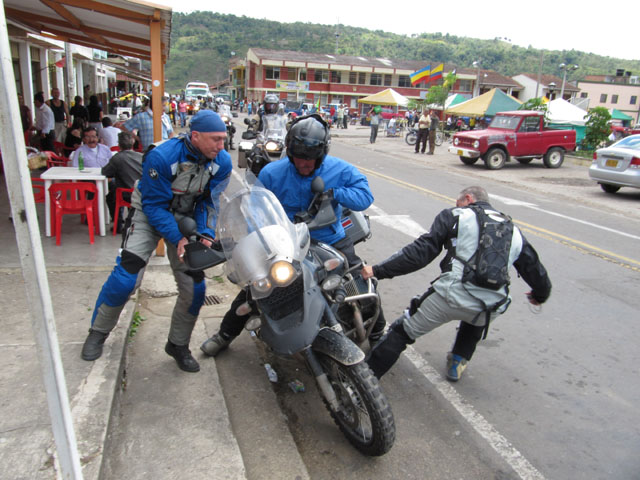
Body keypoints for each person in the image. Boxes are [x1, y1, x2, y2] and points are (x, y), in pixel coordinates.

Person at [201, 114, 387, 357]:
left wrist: (334, 193)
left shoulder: (340, 169)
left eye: (310, 162)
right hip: (284, 244)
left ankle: (378, 332)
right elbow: (255, 209)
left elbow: (365, 197)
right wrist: (244, 241)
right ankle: (225, 334)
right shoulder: (271, 173)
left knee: (359, 278)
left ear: (321, 155)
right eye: (298, 160)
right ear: (289, 152)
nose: (303, 165)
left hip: (329, 239)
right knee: (256, 290)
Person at [80, 110, 232, 372]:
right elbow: (153, 206)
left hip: (186, 217)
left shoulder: (222, 162)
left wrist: (205, 233)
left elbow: (209, 200)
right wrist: (177, 238)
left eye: (223, 139)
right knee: (125, 277)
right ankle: (98, 331)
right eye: (215, 139)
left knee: (195, 287)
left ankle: (177, 345)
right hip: (150, 213)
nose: (222, 146)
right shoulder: (161, 157)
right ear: (195, 136)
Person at [363, 186, 552, 381]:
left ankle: (361, 385)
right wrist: (540, 295)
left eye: (458, 202)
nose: (456, 205)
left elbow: (421, 252)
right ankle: (457, 362)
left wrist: (378, 270)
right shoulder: (513, 229)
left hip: (450, 297)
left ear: (468, 198)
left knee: (400, 333)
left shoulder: (454, 215)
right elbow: (533, 267)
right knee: (478, 311)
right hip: (492, 305)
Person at [101, 131, 143, 232]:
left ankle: (118, 223)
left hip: (126, 194)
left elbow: (105, 172)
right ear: (133, 143)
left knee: (111, 196)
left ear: (119, 144)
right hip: (141, 191)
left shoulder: (117, 158)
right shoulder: (141, 156)